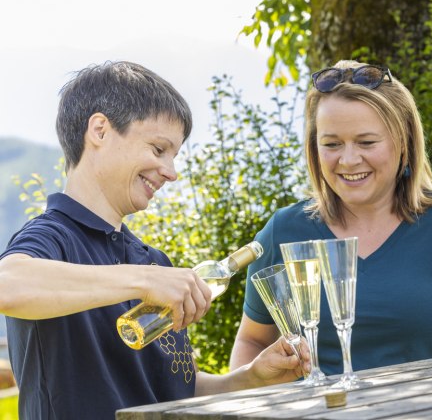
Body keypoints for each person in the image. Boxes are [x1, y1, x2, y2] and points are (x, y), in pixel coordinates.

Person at [0, 61, 308, 418]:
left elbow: (175, 387)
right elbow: (8, 285)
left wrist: (250, 378)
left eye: (174, 156)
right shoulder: (53, 237)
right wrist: (143, 280)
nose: (172, 173)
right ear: (100, 130)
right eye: (158, 149)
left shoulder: (153, 260)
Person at [230, 60, 432, 375]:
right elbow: (252, 343)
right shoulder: (284, 231)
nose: (349, 160)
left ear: (404, 142)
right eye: (332, 144)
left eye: (367, 142)